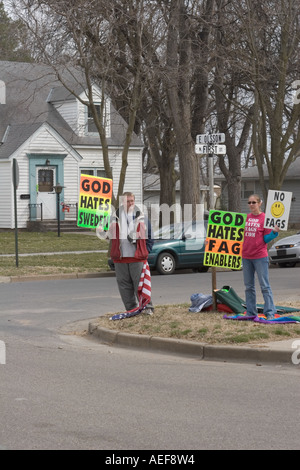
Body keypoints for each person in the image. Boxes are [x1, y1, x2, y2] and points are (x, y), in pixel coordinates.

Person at [97, 192, 154, 315]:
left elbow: (150, 237)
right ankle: (131, 310)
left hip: (137, 258)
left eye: (132, 200)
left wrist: (145, 251)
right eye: (128, 201)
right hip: (120, 258)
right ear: (122, 202)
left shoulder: (141, 217)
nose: (131, 203)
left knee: (140, 284)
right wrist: (102, 232)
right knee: (124, 286)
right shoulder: (114, 217)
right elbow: (108, 235)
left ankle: (147, 308)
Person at [242, 194, 280, 320]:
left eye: (253, 202)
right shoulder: (245, 218)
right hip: (246, 256)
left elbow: (265, 239)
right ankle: (251, 313)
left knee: (264, 286)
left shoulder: (265, 218)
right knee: (249, 287)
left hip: (260, 256)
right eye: (249, 202)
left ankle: (269, 313)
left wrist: (274, 232)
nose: (251, 205)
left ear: (260, 203)